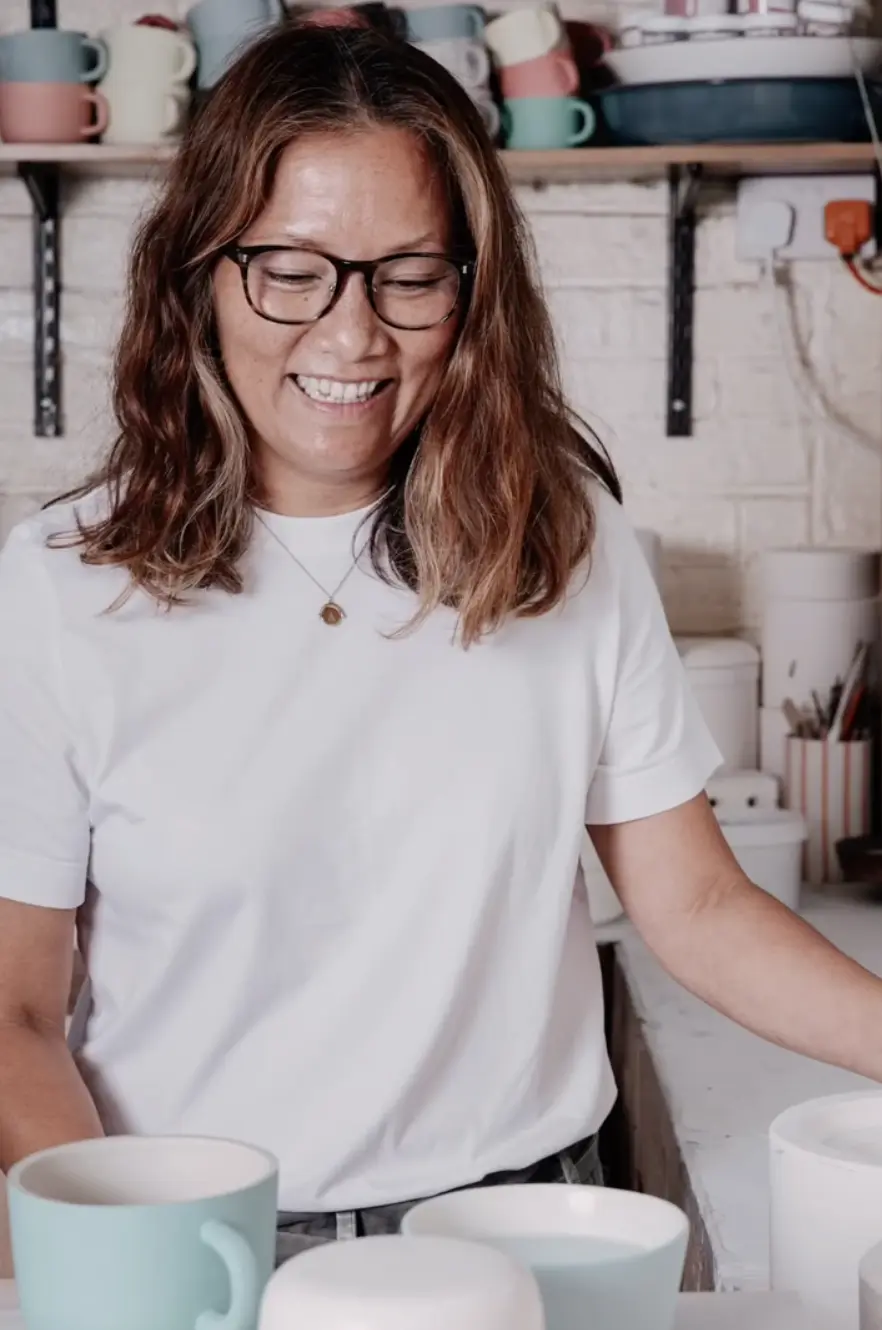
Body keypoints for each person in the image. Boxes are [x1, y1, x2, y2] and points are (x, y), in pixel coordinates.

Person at [1, 23, 881, 1264]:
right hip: (205, 1249)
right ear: (200, 270)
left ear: (474, 290)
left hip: (529, 1239)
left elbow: (697, 905)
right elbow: (16, 1009)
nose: (352, 335)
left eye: (409, 273)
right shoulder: (59, 588)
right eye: (290, 269)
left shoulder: (567, 547)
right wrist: (126, 1257)